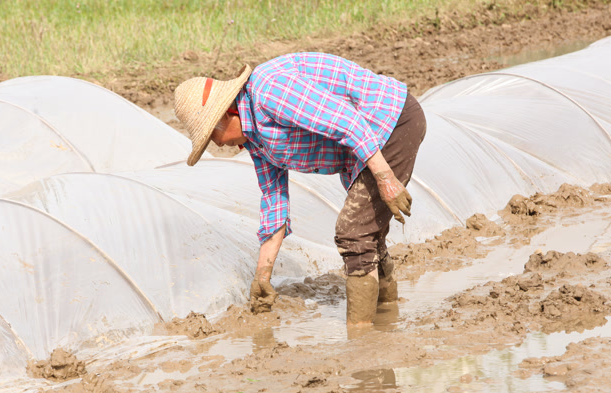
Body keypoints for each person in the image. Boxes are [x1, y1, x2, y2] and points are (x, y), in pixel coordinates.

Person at [173, 53, 426, 326]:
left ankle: (362, 339)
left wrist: (386, 178)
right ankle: (387, 317)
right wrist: (262, 275)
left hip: (389, 122)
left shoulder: (269, 90)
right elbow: (274, 201)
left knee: (354, 232)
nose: (218, 145)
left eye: (213, 136)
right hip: (366, 144)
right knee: (368, 237)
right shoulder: (256, 141)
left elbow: (348, 122)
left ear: (226, 113)